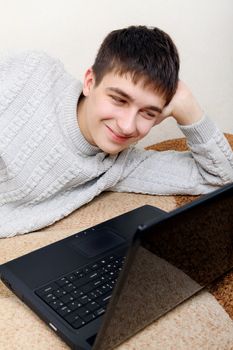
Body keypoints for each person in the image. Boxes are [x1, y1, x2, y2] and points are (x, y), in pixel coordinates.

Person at [0, 25, 232, 238]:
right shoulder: (31, 73)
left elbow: (220, 178)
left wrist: (187, 106)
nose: (127, 126)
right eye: (119, 100)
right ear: (90, 82)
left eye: (148, 113)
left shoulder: (120, 165)